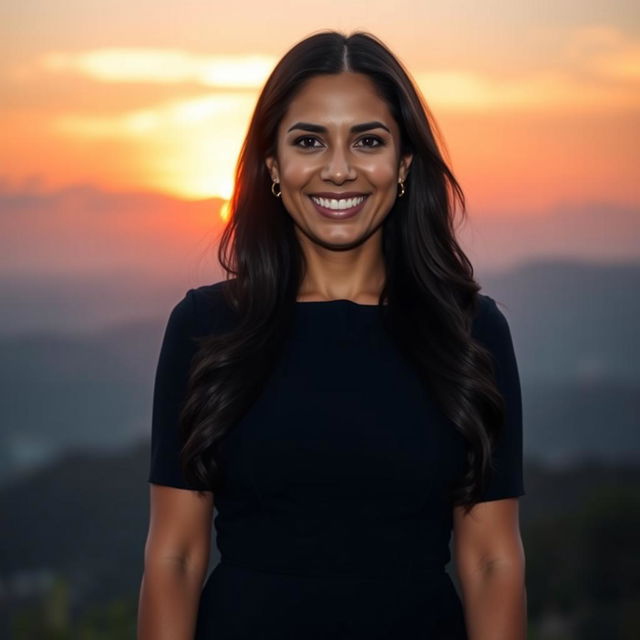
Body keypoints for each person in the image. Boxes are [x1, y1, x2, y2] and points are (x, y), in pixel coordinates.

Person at [137, 29, 527, 640]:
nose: (339, 169)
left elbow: (492, 561)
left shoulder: (472, 333)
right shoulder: (207, 328)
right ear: (273, 165)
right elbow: (175, 557)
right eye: (309, 141)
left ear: (403, 164)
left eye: (367, 141)